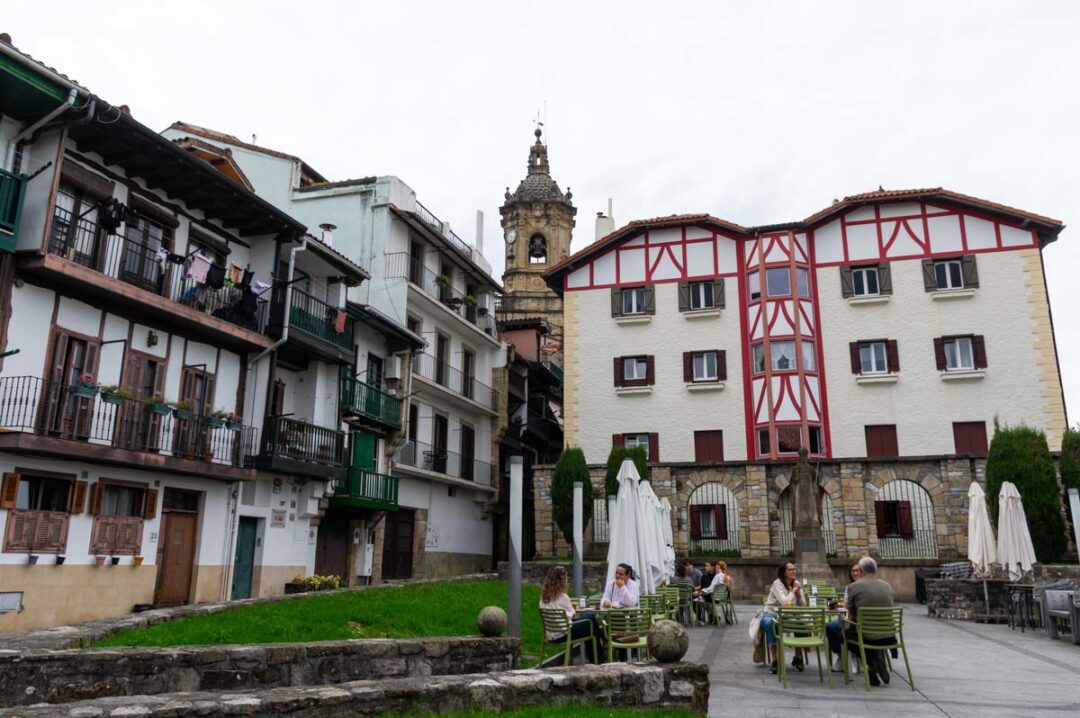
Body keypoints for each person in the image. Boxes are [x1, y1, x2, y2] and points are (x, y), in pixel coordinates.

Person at [827, 556, 895, 686]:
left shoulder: (854, 587)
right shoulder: (887, 585)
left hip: (867, 634)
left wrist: (832, 607)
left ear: (862, 571)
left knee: (843, 635)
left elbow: (850, 615)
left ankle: (871, 661)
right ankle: (875, 661)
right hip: (889, 634)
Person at [539, 565, 604, 663]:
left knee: (592, 630)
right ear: (562, 580)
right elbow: (571, 614)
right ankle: (601, 651)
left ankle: (598, 659)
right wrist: (572, 610)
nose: (567, 580)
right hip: (564, 634)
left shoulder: (543, 599)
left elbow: (562, 617)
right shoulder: (563, 597)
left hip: (551, 635)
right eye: (566, 578)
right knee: (590, 616)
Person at [759, 561, 805, 674]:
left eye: (794, 569)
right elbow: (785, 602)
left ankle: (797, 657)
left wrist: (798, 594)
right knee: (771, 625)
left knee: (801, 623)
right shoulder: (777, 583)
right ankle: (775, 661)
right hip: (770, 613)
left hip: (788, 615)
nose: (793, 571)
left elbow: (803, 605)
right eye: (790, 569)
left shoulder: (796, 583)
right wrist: (793, 590)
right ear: (784, 572)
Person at [826, 560, 863, 672]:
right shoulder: (849, 587)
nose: (855, 573)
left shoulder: (858, 586)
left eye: (857, 570)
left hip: (858, 622)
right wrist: (837, 605)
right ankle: (842, 655)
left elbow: (847, 606)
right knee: (831, 626)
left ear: (863, 572)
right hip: (853, 619)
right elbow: (845, 604)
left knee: (835, 627)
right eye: (853, 571)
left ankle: (852, 655)